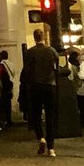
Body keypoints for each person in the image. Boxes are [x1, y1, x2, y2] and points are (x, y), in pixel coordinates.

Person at [22, 28, 58, 156]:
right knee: (50, 116)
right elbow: (57, 68)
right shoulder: (52, 51)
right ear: (44, 37)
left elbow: (26, 71)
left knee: (36, 115)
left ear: (34, 37)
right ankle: (51, 148)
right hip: (50, 85)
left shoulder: (30, 52)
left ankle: (41, 138)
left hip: (35, 86)